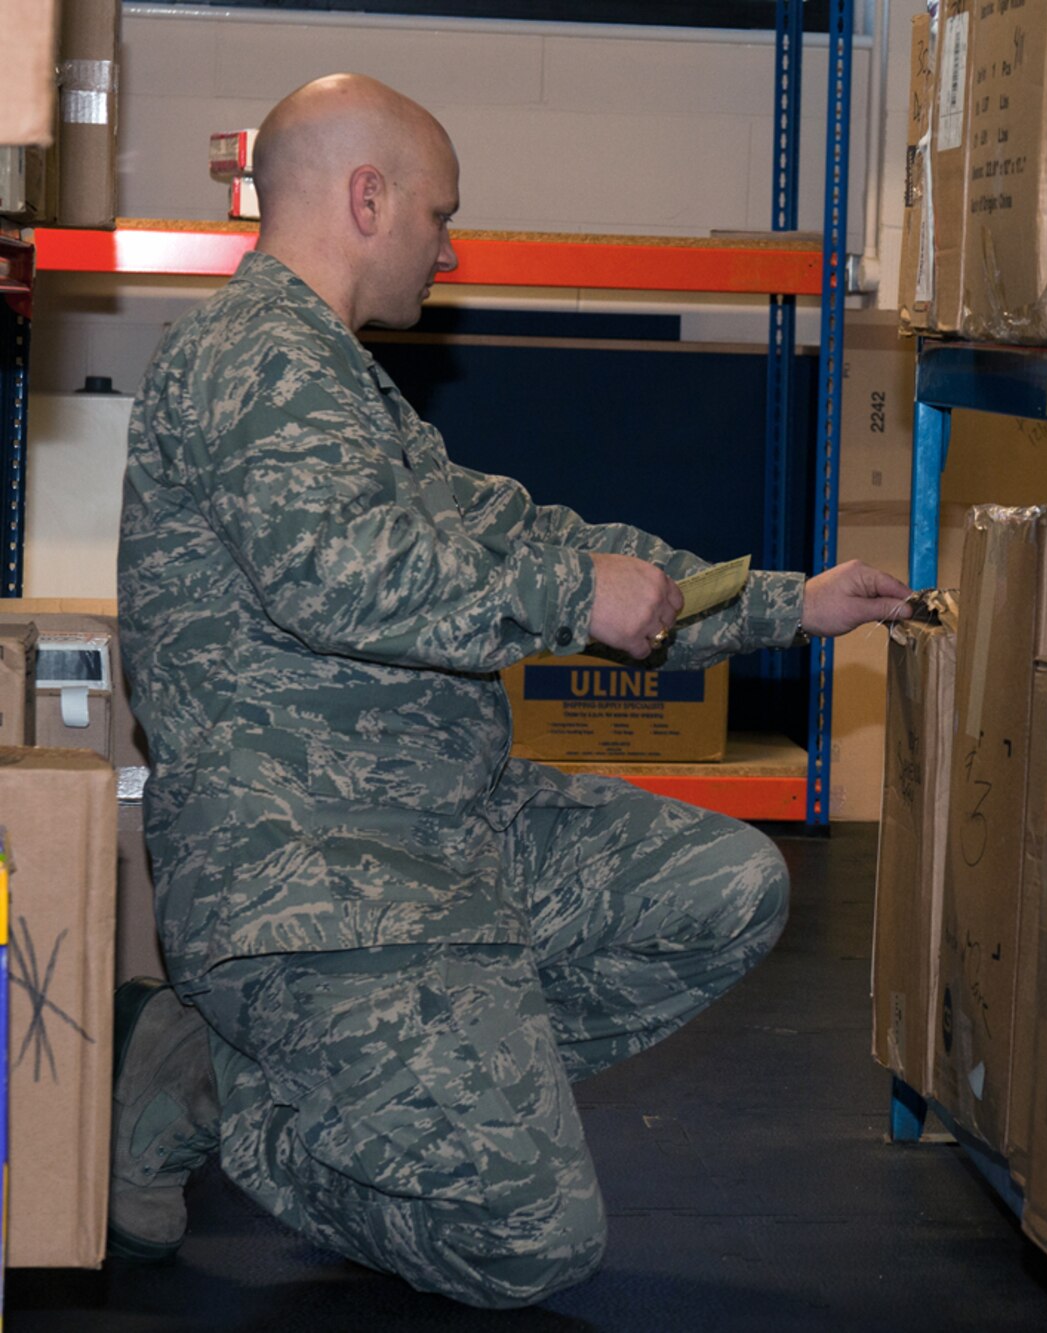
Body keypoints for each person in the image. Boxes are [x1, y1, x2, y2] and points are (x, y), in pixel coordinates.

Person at [111, 73, 912, 1308]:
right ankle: (262, 1105)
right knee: (528, 1243)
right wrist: (563, 590)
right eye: (439, 214)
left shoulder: (347, 386)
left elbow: (527, 534)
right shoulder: (251, 359)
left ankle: (300, 1065)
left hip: (454, 829)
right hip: (313, 875)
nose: (451, 243)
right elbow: (337, 575)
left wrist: (786, 604)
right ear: (366, 197)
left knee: (729, 887)